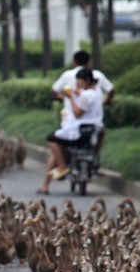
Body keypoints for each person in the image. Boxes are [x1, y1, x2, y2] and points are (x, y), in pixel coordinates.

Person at [38, 67, 103, 195]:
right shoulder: (97, 92)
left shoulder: (86, 95)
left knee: (52, 139)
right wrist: (77, 93)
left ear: (86, 80)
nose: (77, 84)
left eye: (79, 82)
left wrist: (71, 97)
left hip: (79, 131)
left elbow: (78, 113)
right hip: (93, 129)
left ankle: (62, 166)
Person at [51, 50, 114, 158]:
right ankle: (94, 155)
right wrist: (105, 102)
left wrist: (66, 97)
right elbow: (111, 90)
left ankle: (60, 167)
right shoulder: (96, 89)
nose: (77, 84)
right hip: (94, 122)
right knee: (101, 132)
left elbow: (54, 91)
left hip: (72, 121)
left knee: (57, 143)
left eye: (79, 82)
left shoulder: (68, 76)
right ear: (89, 62)